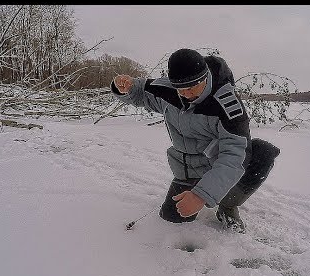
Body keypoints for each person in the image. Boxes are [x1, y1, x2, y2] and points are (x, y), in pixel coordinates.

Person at [111, 48, 280, 233]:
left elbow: (234, 154)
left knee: (262, 152)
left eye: (191, 87)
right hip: (187, 170)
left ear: (204, 77)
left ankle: (228, 206)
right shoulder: (170, 90)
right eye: (179, 88)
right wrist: (124, 87)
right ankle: (200, 190)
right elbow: (141, 91)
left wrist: (202, 195)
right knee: (171, 221)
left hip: (216, 165)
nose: (185, 93)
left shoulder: (227, 105)